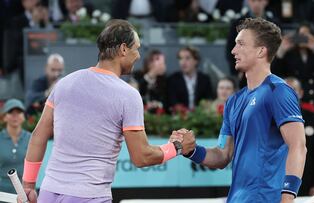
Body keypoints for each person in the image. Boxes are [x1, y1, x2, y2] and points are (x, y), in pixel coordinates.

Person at [19, 19, 195, 203]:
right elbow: (142, 157)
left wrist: (29, 185)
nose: (138, 56)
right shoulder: (128, 95)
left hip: (49, 193)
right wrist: (178, 147)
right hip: (89, 196)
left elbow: (38, 136)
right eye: (137, 48)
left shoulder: (64, 83)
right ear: (124, 49)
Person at [172, 18, 307, 203]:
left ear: (261, 51)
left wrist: (287, 198)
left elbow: (298, 146)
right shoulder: (233, 101)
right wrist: (191, 150)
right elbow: (222, 155)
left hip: (267, 198)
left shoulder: (279, 91)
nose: (233, 50)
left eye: (241, 44)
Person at [285, 77, 314, 197]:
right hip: (276, 185)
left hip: (305, 184)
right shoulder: (270, 119)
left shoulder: (312, 118)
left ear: (301, 93)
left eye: (293, 89)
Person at [272, 22, 314, 107]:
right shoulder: (290, 54)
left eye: (306, 35)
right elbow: (275, 72)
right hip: (295, 99)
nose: (302, 38)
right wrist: (281, 51)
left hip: (313, 99)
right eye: (300, 35)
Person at [167, 46, 213, 110]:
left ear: (196, 60)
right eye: (180, 58)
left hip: (201, 116)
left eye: (187, 58)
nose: (183, 62)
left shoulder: (205, 79)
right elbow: (172, 102)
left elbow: (209, 100)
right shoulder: (172, 79)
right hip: (179, 117)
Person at [0, 99, 31, 193]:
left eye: (19, 112)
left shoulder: (32, 139)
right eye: (10, 112)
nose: (15, 116)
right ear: (4, 117)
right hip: (2, 191)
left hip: (26, 190)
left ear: (23, 116)